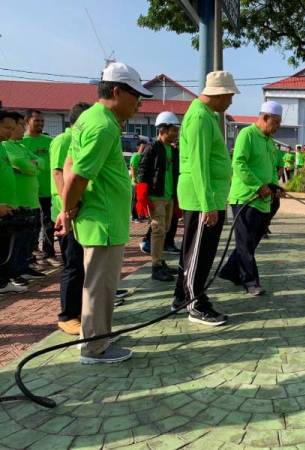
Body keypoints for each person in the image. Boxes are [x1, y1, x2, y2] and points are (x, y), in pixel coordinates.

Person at [55, 61, 153, 364]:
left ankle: (98, 334)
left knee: (98, 282)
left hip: (99, 217)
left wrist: (66, 209)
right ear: (115, 91)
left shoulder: (87, 119)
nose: (138, 103)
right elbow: (77, 176)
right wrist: (67, 210)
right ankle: (95, 347)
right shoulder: (103, 125)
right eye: (134, 95)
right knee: (100, 284)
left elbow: (70, 162)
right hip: (103, 219)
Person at [171, 71, 239, 325]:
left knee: (193, 251)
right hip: (203, 198)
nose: (230, 101)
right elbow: (199, 165)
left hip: (206, 196)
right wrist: (208, 204)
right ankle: (194, 303)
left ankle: (182, 296)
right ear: (219, 94)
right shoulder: (200, 117)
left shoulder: (205, 115)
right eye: (229, 96)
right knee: (199, 254)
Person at [219, 101, 281, 296]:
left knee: (251, 242)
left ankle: (230, 271)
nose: (277, 128)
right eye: (276, 123)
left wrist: (274, 186)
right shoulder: (247, 135)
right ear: (264, 118)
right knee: (245, 243)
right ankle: (250, 281)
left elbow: (271, 169)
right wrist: (258, 186)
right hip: (245, 198)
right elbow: (238, 163)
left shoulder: (269, 142)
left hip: (263, 201)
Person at [49, 103, 92, 334]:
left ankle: (78, 309)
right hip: (66, 210)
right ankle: (67, 315)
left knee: (80, 262)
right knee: (72, 263)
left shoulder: (79, 139)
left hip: (76, 209)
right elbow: (58, 172)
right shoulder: (64, 140)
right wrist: (67, 208)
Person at [3, 112, 47, 285]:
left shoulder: (21, 146)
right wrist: (32, 165)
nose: (22, 129)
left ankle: (24, 266)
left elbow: (39, 163)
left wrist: (33, 165)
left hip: (32, 200)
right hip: (17, 201)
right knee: (16, 241)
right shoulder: (7, 146)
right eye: (20, 125)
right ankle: (13, 273)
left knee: (30, 237)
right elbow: (26, 166)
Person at [137, 112, 180, 282]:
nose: (176, 133)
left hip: (168, 196)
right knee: (158, 230)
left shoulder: (173, 150)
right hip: (156, 196)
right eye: (173, 130)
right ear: (163, 129)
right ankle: (156, 266)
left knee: (165, 229)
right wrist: (142, 198)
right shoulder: (151, 148)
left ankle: (161, 261)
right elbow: (142, 172)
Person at [22, 110, 59, 267]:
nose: (40, 123)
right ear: (27, 121)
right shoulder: (21, 142)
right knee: (31, 225)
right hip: (28, 192)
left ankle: (49, 254)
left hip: (47, 190)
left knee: (49, 224)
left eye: (42, 121)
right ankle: (30, 257)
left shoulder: (50, 141)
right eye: (36, 120)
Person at [0, 110, 26, 294]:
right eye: (6, 127)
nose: (10, 131)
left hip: (7, 206)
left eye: (12, 127)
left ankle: (2, 282)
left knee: (5, 251)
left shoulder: (3, 147)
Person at [129, 140, 145, 222]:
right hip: (135, 181)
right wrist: (134, 179)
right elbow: (132, 167)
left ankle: (140, 215)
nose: (144, 148)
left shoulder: (143, 156)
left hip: (141, 181)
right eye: (142, 146)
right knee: (134, 199)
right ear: (138, 147)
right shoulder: (136, 156)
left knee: (140, 199)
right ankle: (134, 216)